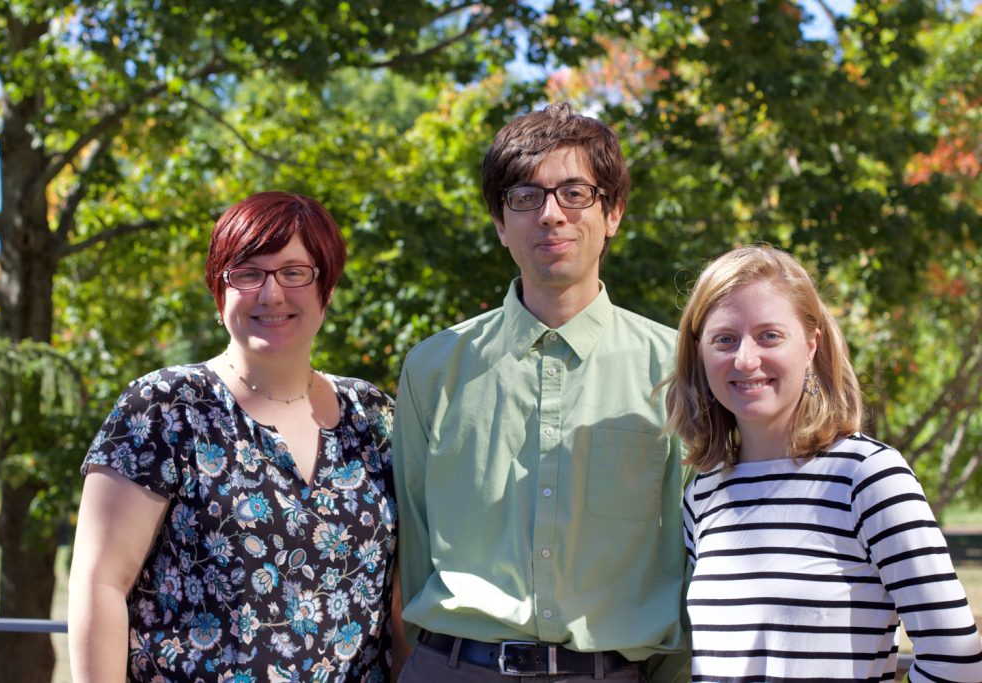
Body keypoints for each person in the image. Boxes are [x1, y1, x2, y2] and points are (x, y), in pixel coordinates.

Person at [392, 103, 690, 682]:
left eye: (575, 193)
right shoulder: (432, 368)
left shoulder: (677, 367)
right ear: (501, 224)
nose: (551, 214)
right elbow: (414, 546)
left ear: (613, 214)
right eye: (525, 197)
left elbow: (692, 549)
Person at [68, 191, 401, 682]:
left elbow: (398, 600)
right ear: (218, 290)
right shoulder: (167, 407)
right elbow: (99, 586)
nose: (271, 294)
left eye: (294, 272)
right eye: (247, 273)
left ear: (326, 288)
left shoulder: (372, 417)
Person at [665, 244, 982, 681]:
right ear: (699, 353)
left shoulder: (868, 478)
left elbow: (957, 662)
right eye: (724, 339)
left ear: (811, 345)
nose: (745, 359)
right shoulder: (703, 494)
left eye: (769, 335)